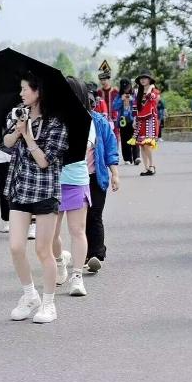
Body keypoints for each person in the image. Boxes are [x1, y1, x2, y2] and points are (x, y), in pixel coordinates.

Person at [0, 72, 69, 324]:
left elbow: (44, 161)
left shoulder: (56, 123)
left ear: (38, 91)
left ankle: (49, 303)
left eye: (24, 89)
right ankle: (30, 295)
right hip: (19, 188)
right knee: (16, 246)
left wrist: (28, 136)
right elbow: (6, 142)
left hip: (44, 190)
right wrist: (18, 130)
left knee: (42, 250)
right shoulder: (18, 114)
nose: (21, 94)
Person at [50, 77, 97, 297]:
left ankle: (77, 276)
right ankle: (60, 262)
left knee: (77, 230)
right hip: (53, 182)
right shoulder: (51, 119)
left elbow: (83, 148)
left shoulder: (87, 120)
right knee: (51, 233)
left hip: (76, 180)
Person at [84, 88, 121, 274]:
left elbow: (110, 149)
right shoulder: (68, 122)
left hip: (97, 177)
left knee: (95, 214)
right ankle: (85, 253)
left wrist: (115, 174)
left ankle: (97, 255)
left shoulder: (100, 122)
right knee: (81, 219)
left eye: (90, 105)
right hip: (76, 179)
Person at [134, 71, 160, 176]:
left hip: (150, 120)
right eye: (141, 78)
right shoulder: (138, 92)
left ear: (149, 80)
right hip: (140, 120)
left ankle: (152, 166)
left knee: (147, 144)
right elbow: (136, 107)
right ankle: (146, 168)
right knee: (142, 145)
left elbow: (151, 98)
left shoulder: (155, 91)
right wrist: (135, 120)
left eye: (145, 78)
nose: (143, 80)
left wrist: (150, 87)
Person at [114, 79, 139, 165]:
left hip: (133, 120)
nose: (126, 89)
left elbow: (139, 105)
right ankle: (127, 159)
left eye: (128, 87)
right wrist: (121, 100)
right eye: (124, 88)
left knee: (135, 138)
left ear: (130, 86)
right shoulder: (119, 96)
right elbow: (114, 107)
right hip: (123, 121)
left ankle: (136, 157)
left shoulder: (134, 94)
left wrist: (132, 100)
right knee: (124, 140)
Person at [96, 69, 119, 134]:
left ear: (109, 80)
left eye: (104, 80)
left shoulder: (115, 91)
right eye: (101, 80)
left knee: (115, 136)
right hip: (102, 119)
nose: (103, 82)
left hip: (114, 119)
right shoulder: (98, 92)